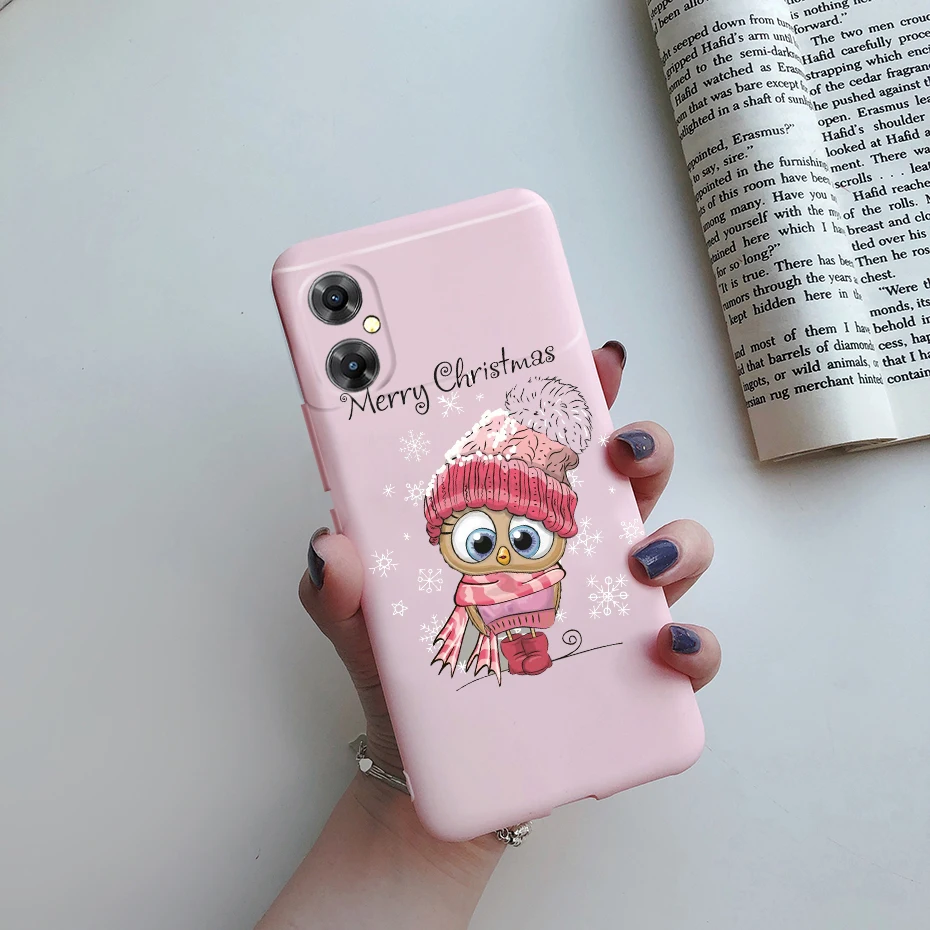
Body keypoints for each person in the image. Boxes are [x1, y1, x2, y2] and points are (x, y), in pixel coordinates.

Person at [255, 342, 721, 930]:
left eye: (524, 538)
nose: (501, 553)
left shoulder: (551, 574)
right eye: (477, 540)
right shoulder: (468, 598)